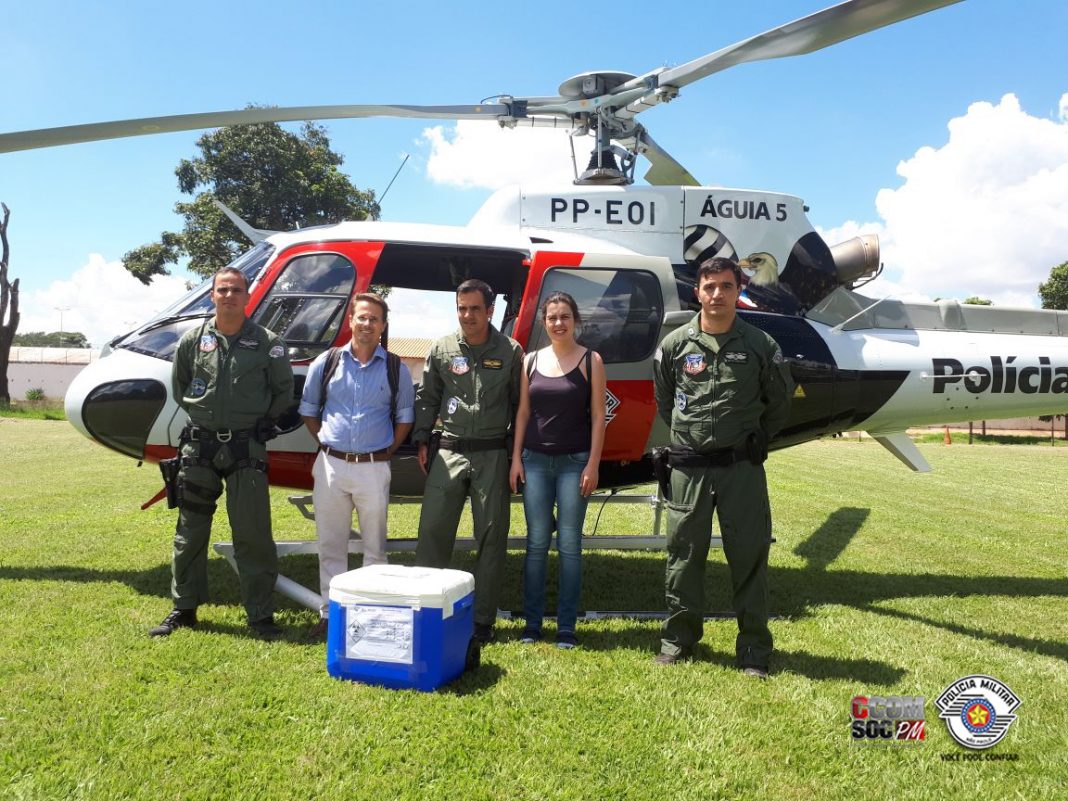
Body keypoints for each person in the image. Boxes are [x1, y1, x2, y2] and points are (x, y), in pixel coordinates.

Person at [652, 257, 794, 677]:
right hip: (689, 470)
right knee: (683, 555)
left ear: (738, 291)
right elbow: (665, 401)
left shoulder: (761, 345)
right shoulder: (674, 345)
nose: (717, 294)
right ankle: (679, 640)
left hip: (741, 469)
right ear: (697, 291)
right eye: (709, 286)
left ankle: (753, 649)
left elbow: (779, 403)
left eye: (726, 286)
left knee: (749, 555)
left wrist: (753, 439)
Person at [151, 267, 294, 639]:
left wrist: (264, 422)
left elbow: (283, 391)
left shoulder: (268, 343)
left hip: (246, 447)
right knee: (189, 530)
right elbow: (182, 386)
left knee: (253, 532)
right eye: (223, 289)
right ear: (212, 295)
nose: (229, 295)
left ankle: (260, 615)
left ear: (247, 296)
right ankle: (184, 609)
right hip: (199, 446)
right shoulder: (192, 341)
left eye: (236, 290)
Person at [413, 279, 523, 644]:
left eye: (475, 308)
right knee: (433, 532)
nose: (468, 315)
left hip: (492, 453)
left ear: (490, 310)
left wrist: (515, 454)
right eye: (462, 308)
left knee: (491, 537)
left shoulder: (510, 351)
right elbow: (427, 397)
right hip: (449, 451)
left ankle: (482, 621)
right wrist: (422, 438)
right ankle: (428, 610)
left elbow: (519, 405)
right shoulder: (442, 348)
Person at [298, 294, 415, 635]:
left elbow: (405, 418)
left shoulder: (396, 368)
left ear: (383, 325)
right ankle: (331, 616)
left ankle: (370, 613)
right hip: (331, 466)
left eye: (374, 319)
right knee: (331, 546)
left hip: (373, 468)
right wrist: (327, 443)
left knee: (375, 548)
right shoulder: (326, 362)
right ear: (351, 320)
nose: (367, 324)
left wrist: (386, 451)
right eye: (362, 317)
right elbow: (309, 410)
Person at [509, 292, 605, 649]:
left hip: (574, 464)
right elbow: (522, 413)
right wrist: (516, 458)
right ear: (544, 322)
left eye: (565, 316)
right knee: (536, 544)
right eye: (552, 317)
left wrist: (593, 464)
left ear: (575, 320)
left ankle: (566, 627)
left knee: (569, 545)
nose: (558, 323)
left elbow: (599, 417)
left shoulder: (591, 360)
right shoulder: (530, 360)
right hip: (534, 461)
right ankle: (532, 625)